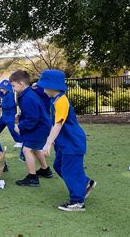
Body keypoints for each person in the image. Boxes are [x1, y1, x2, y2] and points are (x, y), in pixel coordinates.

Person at [38, 69, 96, 211]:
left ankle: (77, 201)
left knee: (70, 171)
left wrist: (48, 143)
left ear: (52, 86)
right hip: (64, 144)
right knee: (59, 166)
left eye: (45, 86)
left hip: (72, 143)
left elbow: (58, 124)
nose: (43, 89)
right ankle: (85, 183)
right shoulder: (56, 100)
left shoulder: (61, 101)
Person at [9, 70, 52, 186]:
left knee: (26, 150)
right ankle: (45, 170)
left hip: (40, 127)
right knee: (35, 148)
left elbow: (33, 118)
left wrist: (20, 126)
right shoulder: (27, 94)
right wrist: (21, 115)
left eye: (13, 86)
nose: (12, 88)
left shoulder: (27, 97)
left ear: (21, 84)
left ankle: (32, 178)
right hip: (42, 126)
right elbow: (32, 113)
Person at [0, 79, 23, 148]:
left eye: (2, 88)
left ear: (6, 88)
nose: (1, 89)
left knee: (12, 129)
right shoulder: (4, 94)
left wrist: (1, 105)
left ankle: (19, 141)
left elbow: (10, 105)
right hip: (4, 116)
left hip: (10, 116)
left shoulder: (10, 94)